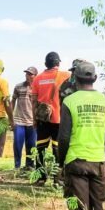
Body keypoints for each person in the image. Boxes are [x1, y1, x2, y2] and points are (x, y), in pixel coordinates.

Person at [57, 60, 105, 210]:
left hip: (76, 163)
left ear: (75, 78)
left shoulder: (70, 101)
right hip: (98, 163)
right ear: (95, 79)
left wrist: (60, 162)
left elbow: (63, 138)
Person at [31, 52, 71, 185]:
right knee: (57, 149)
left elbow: (34, 101)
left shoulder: (37, 79)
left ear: (45, 64)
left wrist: (34, 118)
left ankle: (40, 178)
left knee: (41, 148)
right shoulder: (66, 76)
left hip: (43, 118)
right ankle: (57, 179)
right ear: (58, 63)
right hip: (59, 119)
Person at [11, 66, 38, 170]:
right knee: (17, 145)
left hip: (32, 122)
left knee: (31, 146)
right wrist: (11, 117)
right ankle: (17, 166)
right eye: (27, 73)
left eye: (30, 74)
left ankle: (29, 165)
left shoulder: (37, 88)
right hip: (19, 121)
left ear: (35, 76)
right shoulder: (18, 86)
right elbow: (13, 101)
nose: (28, 76)